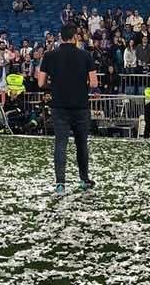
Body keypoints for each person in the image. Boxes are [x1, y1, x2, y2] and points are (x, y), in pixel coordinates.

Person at [38, 24, 98, 196]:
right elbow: (93, 83)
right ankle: (84, 179)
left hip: (59, 106)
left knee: (60, 144)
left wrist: (55, 86)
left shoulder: (49, 55)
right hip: (80, 106)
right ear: (75, 38)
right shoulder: (85, 55)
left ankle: (60, 184)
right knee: (81, 145)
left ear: (60, 37)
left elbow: (41, 82)